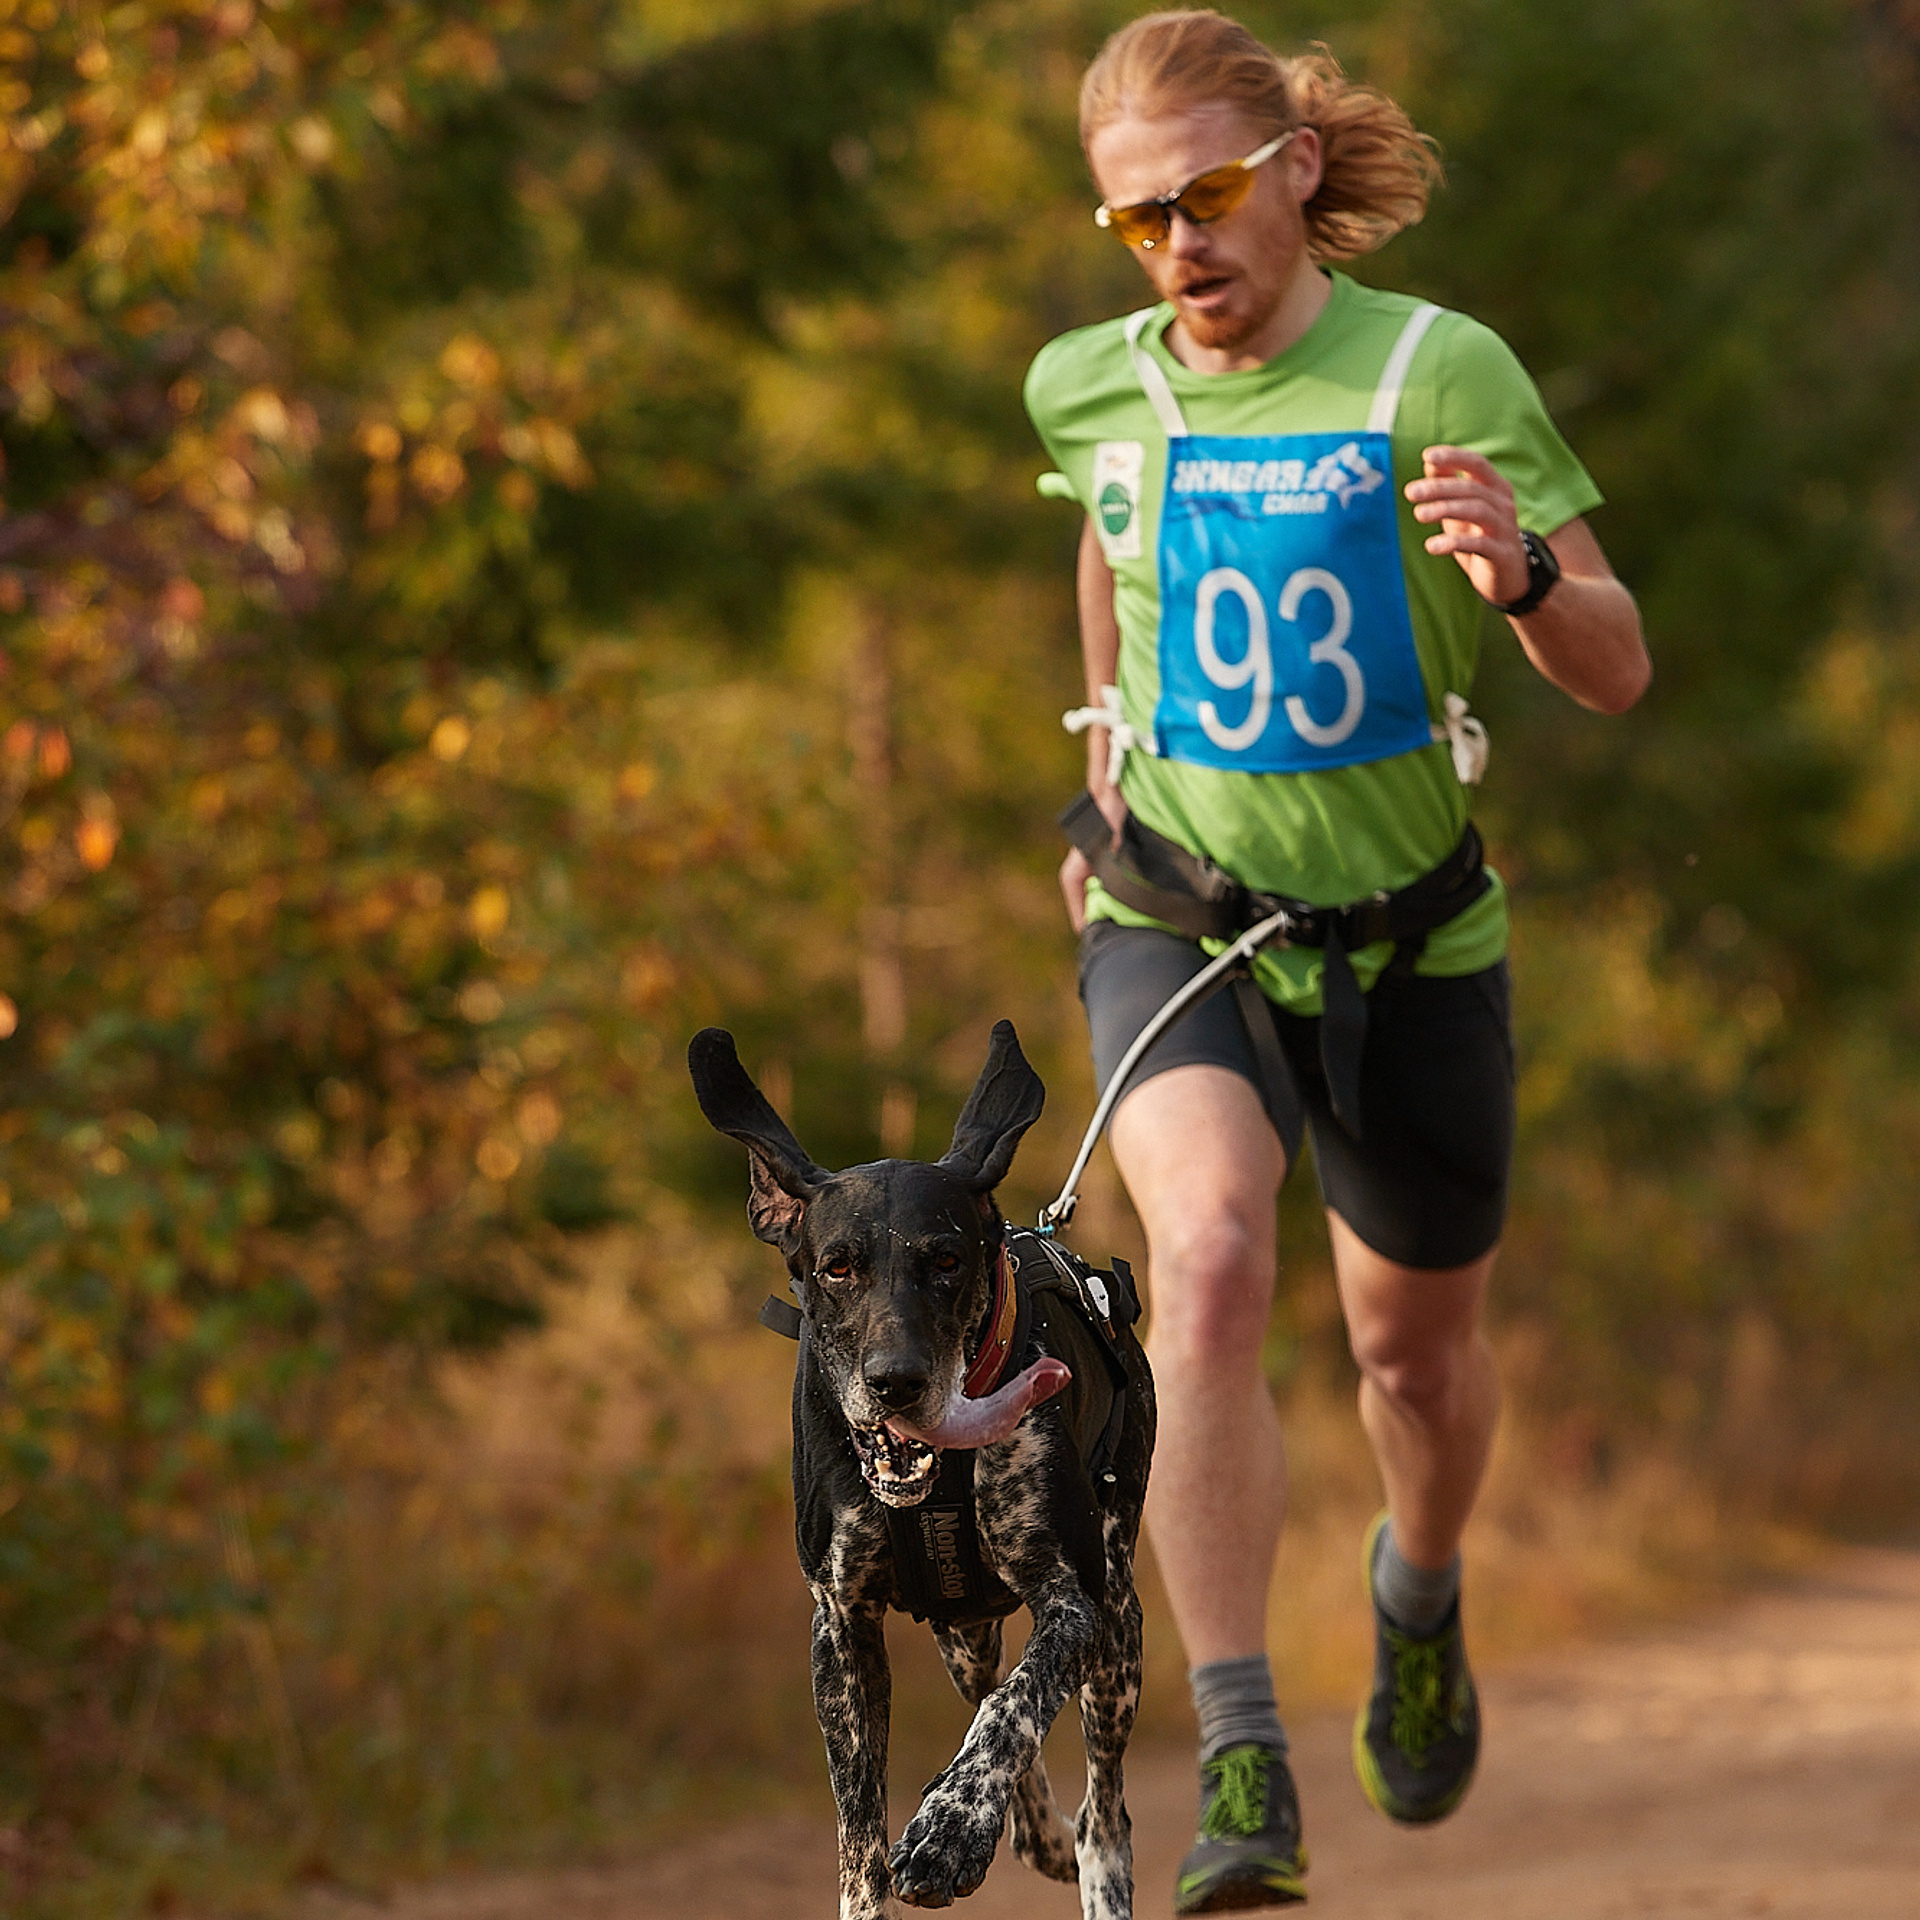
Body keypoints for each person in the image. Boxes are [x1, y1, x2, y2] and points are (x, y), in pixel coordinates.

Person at [1023, 10, 1649, 1912]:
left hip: (1408, 939)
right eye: (1137, 222)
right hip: (1181, 926)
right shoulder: (1086, 386)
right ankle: (1238, 1758)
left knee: (1414, 1358)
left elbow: (1619, 667)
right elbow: (1111, 559)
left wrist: (1526, 579)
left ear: (1293, 165)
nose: (1179, 248)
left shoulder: (1433, 368)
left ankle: (1421, 1589)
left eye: (1207, 198)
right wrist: (1103, 766)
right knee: (1201, 1269)